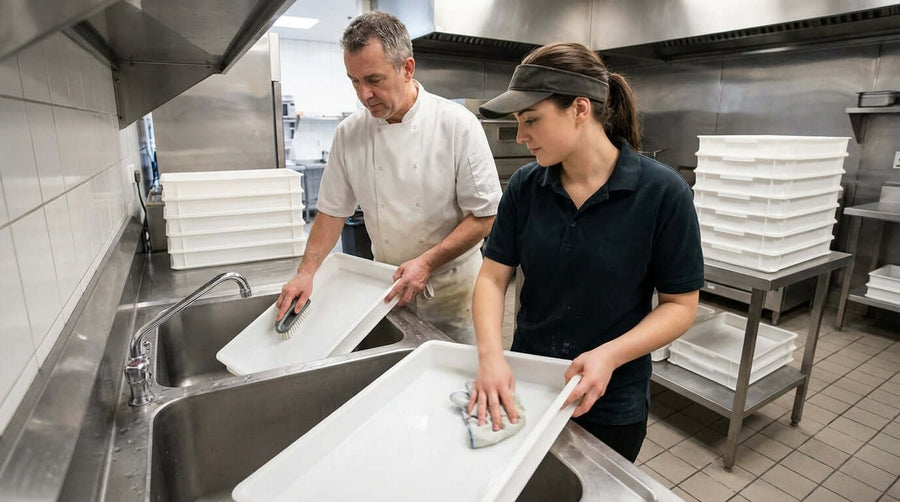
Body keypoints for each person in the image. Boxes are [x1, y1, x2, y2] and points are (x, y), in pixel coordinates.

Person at [467, 42, 704, 462]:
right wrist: (491, 357)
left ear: (580, 109)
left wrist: (609, 355)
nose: (522, 137)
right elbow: (492, 275)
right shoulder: (526, 186)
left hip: (612, 399)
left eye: (531, 121)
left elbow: (680, 305)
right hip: (530, 385)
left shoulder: (662, 193)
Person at [276, 12, 502, 344]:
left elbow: (484, 217)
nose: (363, 94)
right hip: (387, 288)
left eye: (374, 79)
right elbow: (331, 211)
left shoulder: (456, 125)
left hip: (453, 295)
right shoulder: (350, 133)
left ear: (407, 68)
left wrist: (425, 263)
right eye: (354, 81)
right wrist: (305, 272)